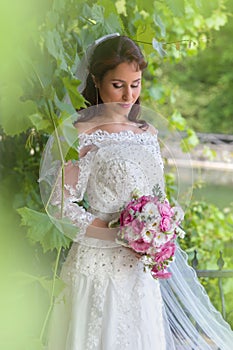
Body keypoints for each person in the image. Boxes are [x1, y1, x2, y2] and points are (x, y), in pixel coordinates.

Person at [41, 34, 233, 349]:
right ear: (96, 81)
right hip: (98, 264)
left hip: (140, 267)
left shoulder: (148, 133)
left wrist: (160, 226)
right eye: (118, 85)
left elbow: (156, 194)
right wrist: (114, 232)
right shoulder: (81, 135)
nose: (128, 94)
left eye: (136, 83)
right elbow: (62, 206)